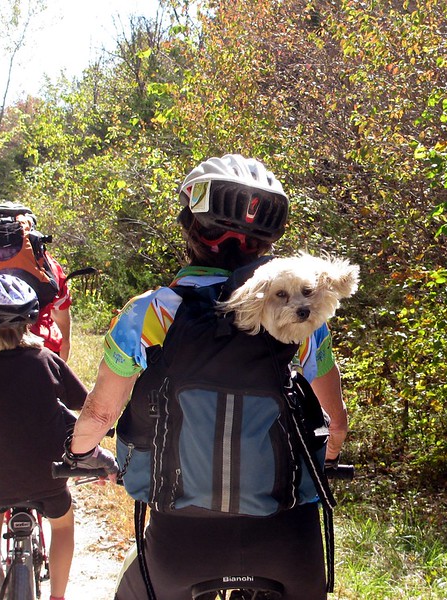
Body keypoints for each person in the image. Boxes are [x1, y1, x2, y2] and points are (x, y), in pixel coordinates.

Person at [66, 154, 349, 600]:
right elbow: (335, 422)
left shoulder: (151, 312)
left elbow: (101, 413)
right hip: (288, 539)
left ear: (189, 230)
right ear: (266, 244)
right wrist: (328, 461)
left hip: (180, 543)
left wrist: (78, 453)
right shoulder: (302, 318)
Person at [0, 201, 73, 597]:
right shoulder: (45, 263)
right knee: (63, 522)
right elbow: (62, 325)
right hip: (39, 363)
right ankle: (57, 595)